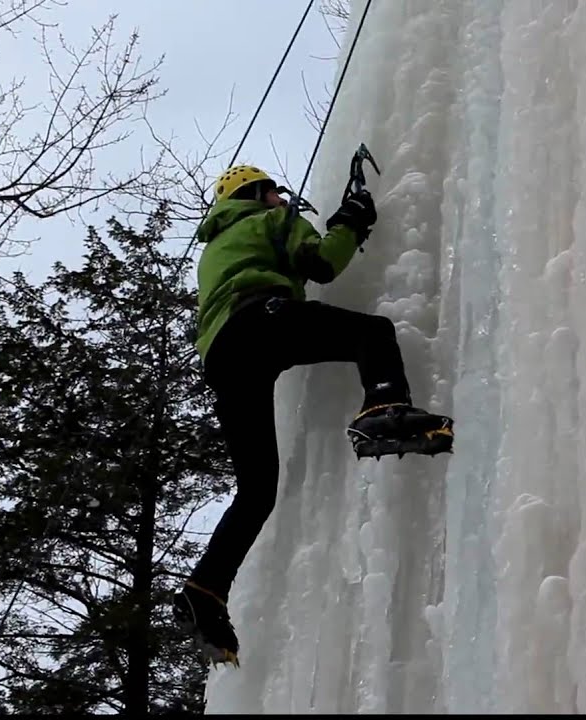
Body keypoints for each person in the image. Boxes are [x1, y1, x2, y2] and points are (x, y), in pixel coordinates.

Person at [172, 164, 453, 666]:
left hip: (224, 356)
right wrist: (352, 220)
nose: (281, 199)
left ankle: (205, 590)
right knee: (372, 333)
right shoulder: (269, 220)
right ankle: (384, 408)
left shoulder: (216, 244)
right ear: (258, 195)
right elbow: (321, 263)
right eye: (274, 194)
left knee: (256, 491)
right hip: (262, 319)